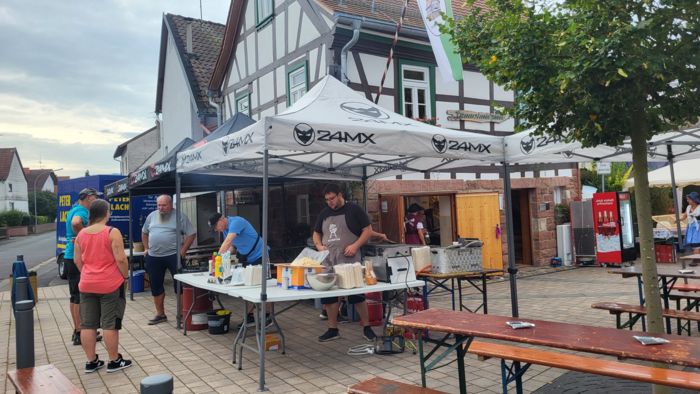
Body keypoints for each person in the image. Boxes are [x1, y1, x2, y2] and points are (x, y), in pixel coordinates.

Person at [312, 183, 377, 342]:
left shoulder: (353, 209)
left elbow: (367, 230)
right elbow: (316, 233)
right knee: (330, 296)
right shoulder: (324, 213)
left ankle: (367, 327)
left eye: (332, 198)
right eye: (327, 200)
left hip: (349, 260)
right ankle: (333, 329)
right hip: (329, 260)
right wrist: (319, 246)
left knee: (356, 294)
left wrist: (355, 246)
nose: (330, 202)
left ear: (340, 195)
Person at [73, 199, 132, 373]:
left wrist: (88, 273)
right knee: (110, 324)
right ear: (106, 213)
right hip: (109, 285)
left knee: (88, 324)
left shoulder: (81, 235)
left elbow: (77, 260)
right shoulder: (112, 232)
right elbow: (121, 259)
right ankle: (114, 361)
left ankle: (91, 362)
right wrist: (125, 276)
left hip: (86, 284)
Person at [142, 195, 196, 325]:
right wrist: (146, 248)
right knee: (155, 286)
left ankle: (183, 314)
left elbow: (191, 233)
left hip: (173, 255)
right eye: (159, 205)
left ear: (171, 205)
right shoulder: (151, 216)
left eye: (164, 205)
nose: (161, 208)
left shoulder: (179, 216)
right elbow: (144, 232)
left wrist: (183, 251)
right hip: (154, 256)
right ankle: (160, 314)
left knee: (180, 286)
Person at [209, 212, 269, 326]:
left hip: (260, 255)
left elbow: (227, 242)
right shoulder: (226, 229)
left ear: (221, 220)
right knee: (247, 287)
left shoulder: (236, 222)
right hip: (248, 257)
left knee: (263, 286)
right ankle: (249, 316)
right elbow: (232, 246)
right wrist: (224, 257)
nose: (216, 230)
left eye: (216, 227)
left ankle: (268, 316)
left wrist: (217, 258)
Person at [64, 187, 102, 346]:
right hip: (77, 258)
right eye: (95, 197)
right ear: (88, 197)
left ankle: (77, 330)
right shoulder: (82, 212)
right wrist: (85, 234)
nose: (96, 200)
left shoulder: (74, 209)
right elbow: (76, 223)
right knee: (80, 297)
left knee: (74, 296)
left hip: (69, 257)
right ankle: (80, 332)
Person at [678, 192, 700, 265]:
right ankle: (696, 259)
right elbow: (684, 216)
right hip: (691, 227)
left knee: (696, 243)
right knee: (693, 244)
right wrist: (678, 220)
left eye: (689, 199)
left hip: (698, 227)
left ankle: (695, 260)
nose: (687, 201)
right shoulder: (688, 207)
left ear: (694, 200)